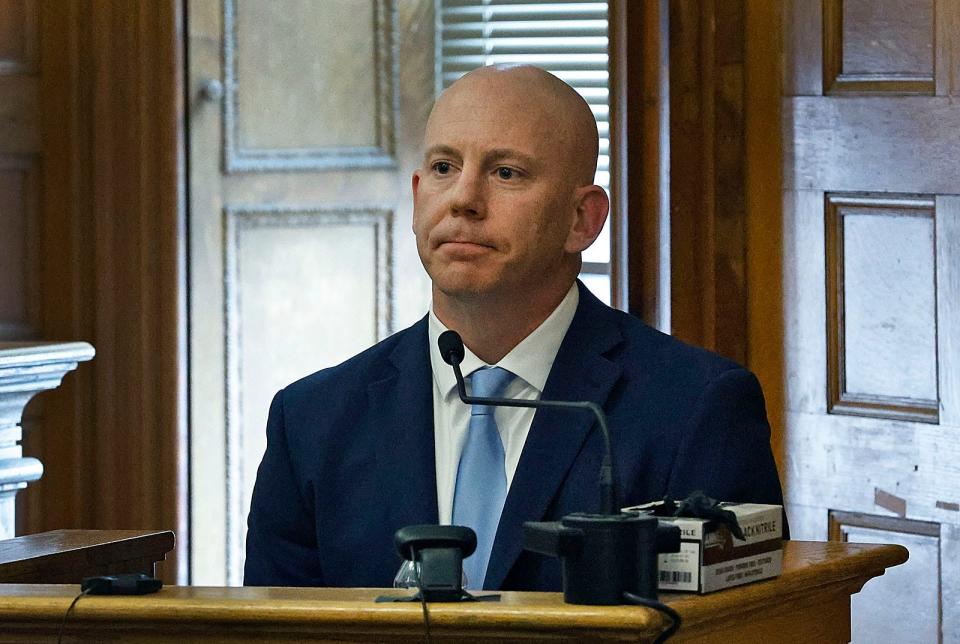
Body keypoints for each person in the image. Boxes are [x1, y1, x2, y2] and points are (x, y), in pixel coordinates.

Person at [243, 65, 786, 591]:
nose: (463, 199)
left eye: (506, 173)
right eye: (443, 168)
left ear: (582, 220)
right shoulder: (310, 423)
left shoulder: (696, 407)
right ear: (415, 196)